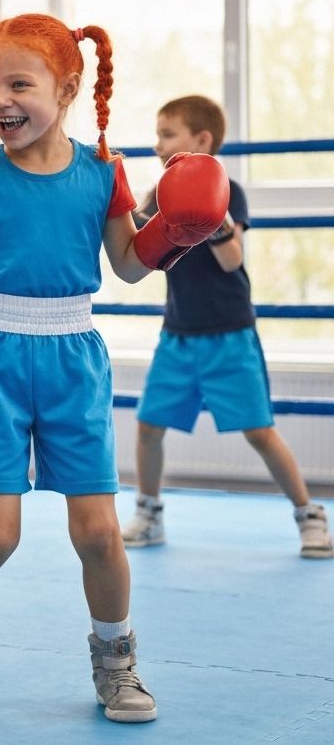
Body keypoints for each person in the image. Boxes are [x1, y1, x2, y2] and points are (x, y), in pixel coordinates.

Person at [0, 14, 230, 721]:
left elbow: (130, 265)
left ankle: (116, 659)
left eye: (19, 83)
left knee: (99, 533)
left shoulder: (103, 172)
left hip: (73, 352)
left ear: (67, 88)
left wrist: (179, 229)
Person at [121, 95, 332, 559]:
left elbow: (232, 258)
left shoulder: (229, 189)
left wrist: (214, 222)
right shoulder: (159, 193)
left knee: (258, 430)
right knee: (149, 426)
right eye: (157, 134)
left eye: (167, 134)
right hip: (177, 334)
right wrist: (108, 195)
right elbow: (131, 242)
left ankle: (309, 515)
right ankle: (149, 511)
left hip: (229, 334)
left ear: (202, 141)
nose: (158, 144)